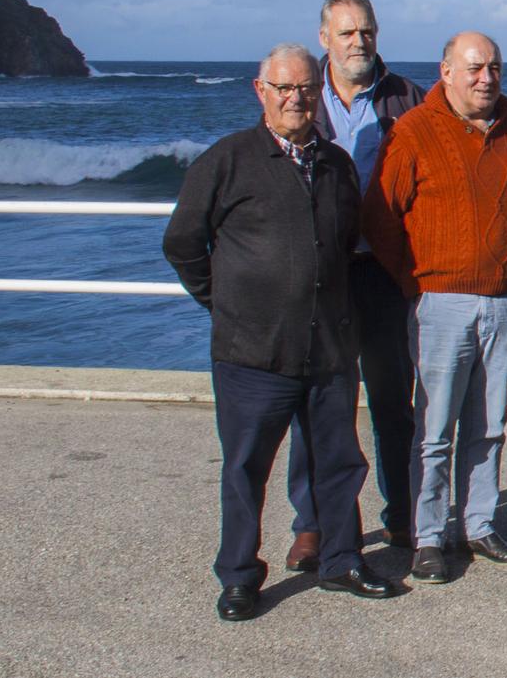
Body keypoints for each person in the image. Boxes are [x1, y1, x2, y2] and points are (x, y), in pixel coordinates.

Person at [163, 43, 402, 622]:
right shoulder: (227, 160)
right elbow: (182, 244)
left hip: (328, 351)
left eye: (305, 89)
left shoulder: (337, 164)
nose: (295, 98)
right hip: (253, 354)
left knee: (340, 463)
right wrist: (227, 306)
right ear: (261, 91)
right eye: (283, 88)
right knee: (247, 468)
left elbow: (344, 248)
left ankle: (342, 560)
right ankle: (240, 575)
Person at [363, 31, 507, 585]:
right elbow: (381, 218)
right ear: (445, 71)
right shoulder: (414, 130)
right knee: (435, 429)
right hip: (439, 301)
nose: (485, 78)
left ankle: (481, 524)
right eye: (473, 68)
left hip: (506, 300)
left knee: (489, 425)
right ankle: (429, 536)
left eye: (493, 67)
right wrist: (417, 284)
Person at [281, 0, 425, 573]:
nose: (358, 42)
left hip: (385, 273)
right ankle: (313, 522)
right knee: (318, 404)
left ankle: (401, 513)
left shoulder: (409, 98)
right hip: (319, 276)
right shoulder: (299, 94)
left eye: (366, 31)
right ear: (324, 38)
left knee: (394, 403)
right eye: (346, 33)